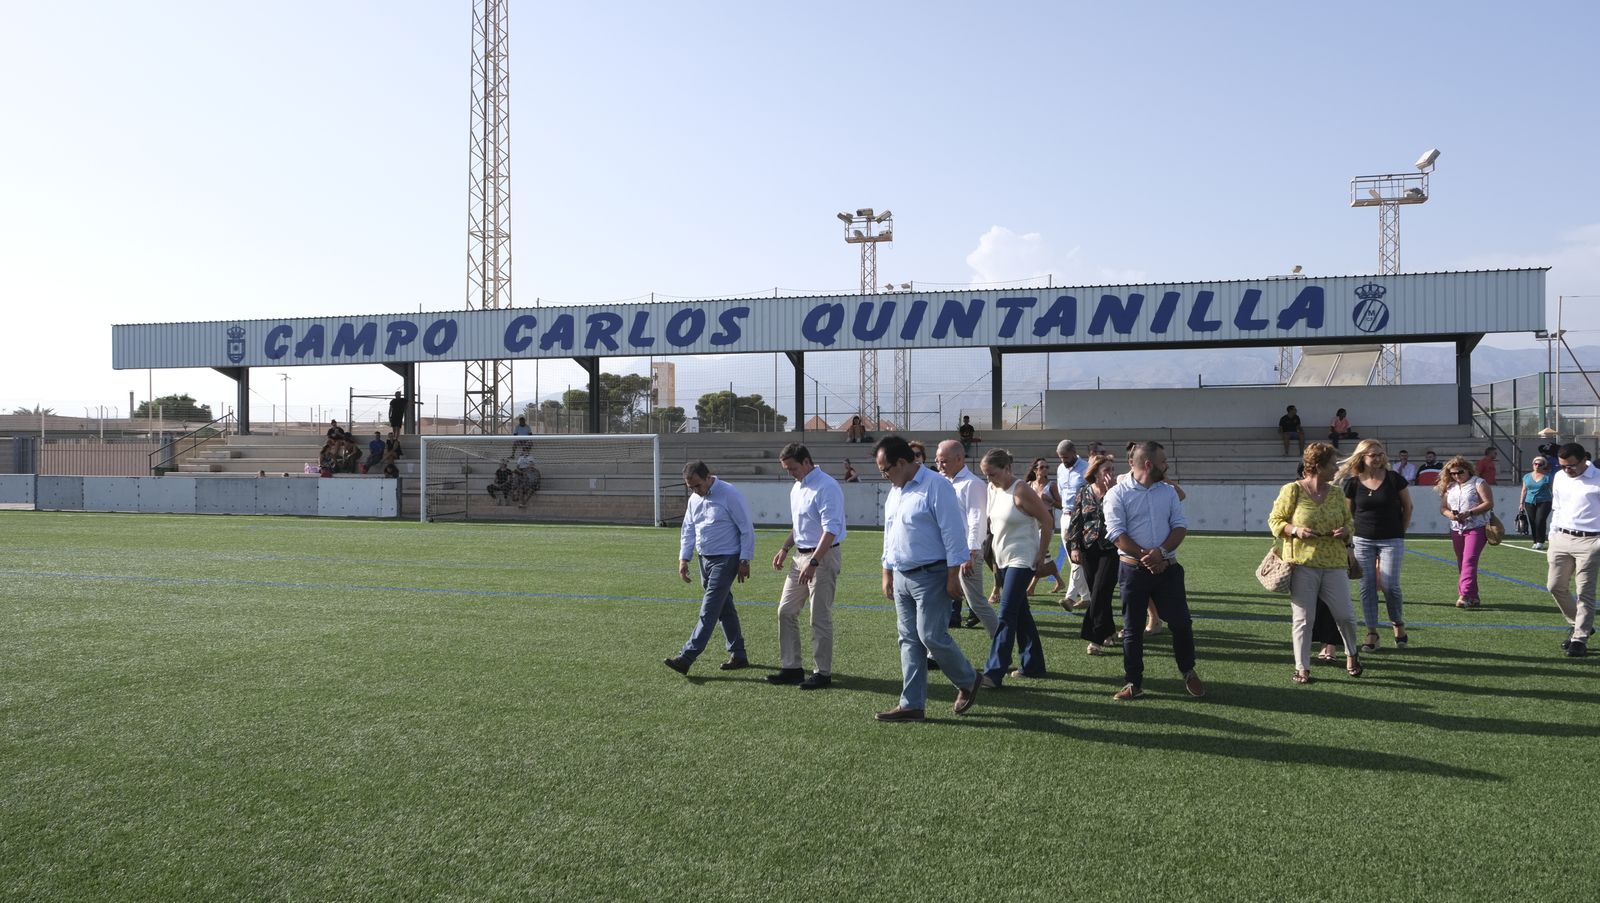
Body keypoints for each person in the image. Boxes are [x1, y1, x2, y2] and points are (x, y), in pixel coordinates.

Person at [872, 436, 980, 722]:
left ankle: (968, 679)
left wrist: (953, 577)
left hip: (932, 574)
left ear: (903, 462)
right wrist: (887, 572)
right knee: (908, 640)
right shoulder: (896, 491)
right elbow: (890, 534)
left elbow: (953, 532)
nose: (884, 475)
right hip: (903, 575)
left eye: (886, 469)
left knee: (931, 635)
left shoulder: (937, 486)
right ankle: (912, 704)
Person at [1103, 441, 1205, 700]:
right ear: (1149, 464)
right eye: (1162, 462)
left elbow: (1180, 526)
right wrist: (1146, 557)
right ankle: (1133, 682)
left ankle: (1188, 671)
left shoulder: (1168, 491)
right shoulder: (1117, 493)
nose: (1166, 465)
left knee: (1181, 623)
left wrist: (1159, 552)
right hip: (1133, 571)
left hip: (1168, 569)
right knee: (1132, 628)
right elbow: (1116, 533)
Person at [1271, 442, 1363, 684]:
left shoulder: (1336, 493)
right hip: (1302, 564)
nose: (1336, 468)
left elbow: (1350, 524)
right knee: (1303, 618)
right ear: (1319, 466)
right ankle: (1302, 667)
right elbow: (1275, 521)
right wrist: (1296, 530)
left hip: (1334, 564)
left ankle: (1351, 653)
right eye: (1333, 463)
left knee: (1345, 616)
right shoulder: (1292, 490)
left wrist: (1345, 531)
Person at [663, 461, 755, 676]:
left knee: (710, 608)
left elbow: (746, 528)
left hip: (727, 559)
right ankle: (739, 654)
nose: (695, 490)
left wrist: (744, 560)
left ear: (708, 477)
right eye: (690, 487)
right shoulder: (694, 499)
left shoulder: (729, 494)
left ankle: (686, 657)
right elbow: (688, 529)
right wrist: (684, 559)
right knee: (724, 608)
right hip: (704, 559)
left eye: (697, 485)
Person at [769, 442, 846, 690]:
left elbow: (831, 529)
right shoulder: (797, 487)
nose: (790, 473)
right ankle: (792, 668)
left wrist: (814, 561)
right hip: (801, 557)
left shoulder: (827, 486)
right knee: (785, 611)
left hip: (822, 557)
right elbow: (800, 525)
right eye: (787, 469)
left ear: (806, 462)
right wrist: (784, 547)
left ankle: (822, 673)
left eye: (792, 468)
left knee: (819, 617)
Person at [976, 448, 1054, 687]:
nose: (990, 479)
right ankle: (1033, 665)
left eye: (993, 473)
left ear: (1007, 468)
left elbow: (1047, 521)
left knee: (1007, 614)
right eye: (986, 475)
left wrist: (1041, 553)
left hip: (1023, 559)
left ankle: (994, 672)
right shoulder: (992, 489)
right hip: (1003, 559)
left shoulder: (1021, 490)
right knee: (1021, 614)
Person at [1339, 440, 1412, 651]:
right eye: (1373, 455)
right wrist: (1349, 541)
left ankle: (1397, 623)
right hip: (1363, 540)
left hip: (1392, 540)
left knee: (1390, 586)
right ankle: (1372, 632)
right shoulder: (1352, 483)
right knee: (1367, 587)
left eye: (1380, 454)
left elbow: (1408, 507)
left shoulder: (1394, 479)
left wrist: (1400, 533)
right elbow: (1347, 514)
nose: (1378, 458)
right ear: (1362, 457)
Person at [935, 439, 998, 636]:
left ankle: (1002, 644)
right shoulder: (941, 481)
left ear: (960, 459)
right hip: (943, 552)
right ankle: (934, 652)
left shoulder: (973, 484)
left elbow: (977, 520)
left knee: (977, 603)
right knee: (938, 603)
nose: (939, 465)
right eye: (938, 461)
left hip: (965, 554)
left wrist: (970, 553)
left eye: (943, 461)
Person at [1547, 442, 1600, 657]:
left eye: (1571, 466)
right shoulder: (1560, 477)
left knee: (1585, 591)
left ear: (1583, 460)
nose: (1567, 470)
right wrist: (1552, 535)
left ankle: (1580, 637)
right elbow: (1557, 506)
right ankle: (1578, 622)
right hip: (1561, 537)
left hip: (1591, 541)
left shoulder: (1597, 479)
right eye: (1563, 466)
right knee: (1554, 586)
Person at [1067, 454, 1120, 654]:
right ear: (1096, 473)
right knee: (1099, 593)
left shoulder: (1117, 493)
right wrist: (1074, 546)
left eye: (1112, 470)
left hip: (1111, 548)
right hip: (1089, 548)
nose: (1111, 474)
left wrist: (1111, 491)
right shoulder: (1084, 492)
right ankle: (1109, 631)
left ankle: (1095, 638)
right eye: (1107, 470)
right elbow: (1076, 521)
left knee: (1100, 590)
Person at [1439, 455, 1493, 609]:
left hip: (1477, 526)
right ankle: (1473, 596)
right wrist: (1452, 515)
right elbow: (1443, 508)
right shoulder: (1450, 487)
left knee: (1469, 560)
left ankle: (1464, 594)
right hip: (1456, 528)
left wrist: (1470, 512)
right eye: (1453, 474)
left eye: (1460, 472)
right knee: (1462, 562)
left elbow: (1488, 503)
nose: (1456, 476)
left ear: (1468, 470)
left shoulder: (1478, 483)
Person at [1055, 439, 1090, 610]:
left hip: (1081, 517)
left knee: (1077, 558)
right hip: (1065, 515)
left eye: (1066, 457)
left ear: (1074, 452)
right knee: (1073, 559)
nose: (1064, 461)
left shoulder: (1086, 467)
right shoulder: (1060, 469)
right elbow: (1061, 493)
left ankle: (1070, 597)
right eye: (1061, 458)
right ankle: (1086, 596)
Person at [1023, 457, 1064, 596]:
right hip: (1032, 523)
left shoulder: (1051, 485)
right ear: (1035, 470)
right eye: (1042, 467)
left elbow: (1061, 505)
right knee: (1043, 554)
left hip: (1047, 523)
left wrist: (1050, 501)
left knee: (1039, 554)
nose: (1045, 469)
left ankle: (1031, 587)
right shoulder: (1029, 484)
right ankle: (1060, 581)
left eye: (1047, 467)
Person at [1522, 456, 1553, 550]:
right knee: (1532, 521)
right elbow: (1524, 490)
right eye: (1535, 464)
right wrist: (1521, 503)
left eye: (1540, 464)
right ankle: (1535, 541)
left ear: (1544, 466)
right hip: (1529, 501)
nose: (1537, 466)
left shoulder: (1548, 477)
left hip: (1544, 501)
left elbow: (1553, 489)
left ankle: (1541, 541)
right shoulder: (1527, 476)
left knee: (1540, 520)